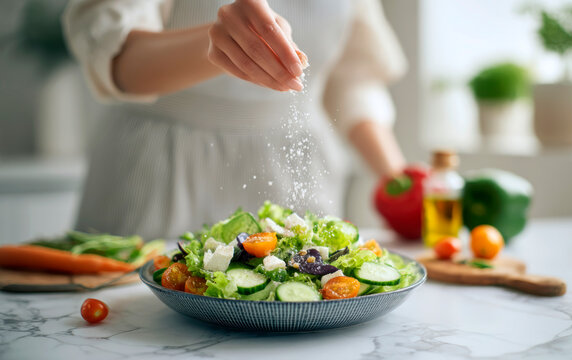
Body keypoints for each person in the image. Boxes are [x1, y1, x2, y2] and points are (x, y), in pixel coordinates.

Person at [63, 0, 408, 240]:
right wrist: (214, 43)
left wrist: (401, 186)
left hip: (299, 166)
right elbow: (116, 57)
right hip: (166, 164)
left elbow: (353, 78)